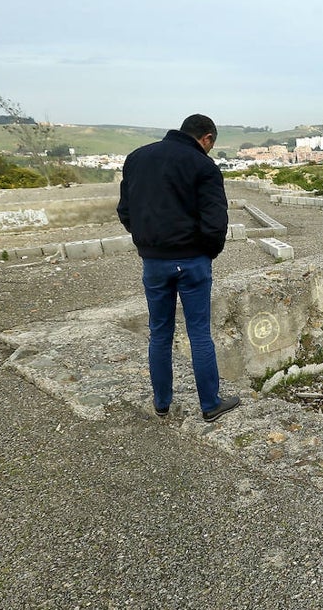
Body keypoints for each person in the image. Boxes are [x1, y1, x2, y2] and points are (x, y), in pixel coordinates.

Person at [117, 114, 240, 422]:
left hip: (154, 262)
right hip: (192, 261)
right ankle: (210, 405)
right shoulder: (203, 166)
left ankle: (161, 403)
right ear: (207, 138)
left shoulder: (137, 158)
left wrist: (147, 244)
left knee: (159, 333)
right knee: (199, 333)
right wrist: (206, 253)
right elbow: (216, 222)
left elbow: (125, 210)